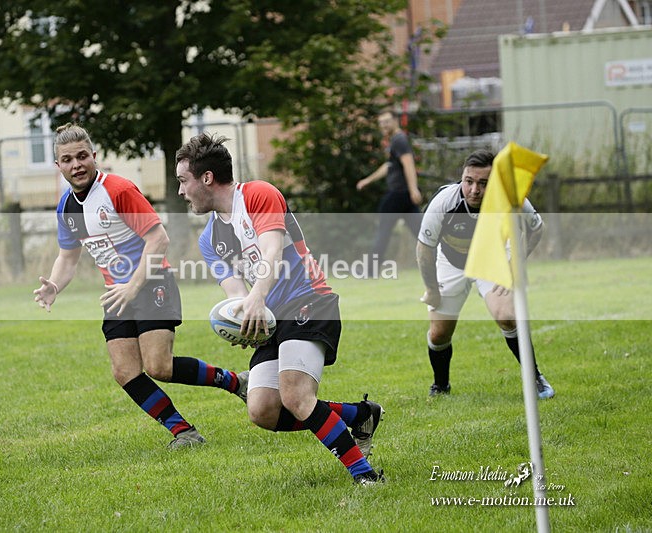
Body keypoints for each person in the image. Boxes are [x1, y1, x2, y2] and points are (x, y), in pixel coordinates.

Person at [176, 132, 384, 485]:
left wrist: (256, 297)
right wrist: (243, 321)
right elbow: (236, 295)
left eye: (184, 181)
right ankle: (359, 415)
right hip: (272, 321)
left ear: (206, 178)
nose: (181, 191)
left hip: (308, 300)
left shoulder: (258, 194)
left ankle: (365, 475)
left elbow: (272, 249)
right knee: (262, 411)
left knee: (296, 395)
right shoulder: (208, 240)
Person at [34, 123, 248, 449]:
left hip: (152, 282)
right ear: (58, 166)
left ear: (94, 156)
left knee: (159, 366)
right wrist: (53, 285)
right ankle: (184, 432)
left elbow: (158, 239)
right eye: (67, 159)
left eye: (81, 156)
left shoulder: (118, 190)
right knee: (125, 371)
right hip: (116, 293)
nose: (76, 165)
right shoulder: (66, 207)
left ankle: (234, 382)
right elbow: (68, 257)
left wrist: (133, 286)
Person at [416, 149, 555, 399]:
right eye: (469, 181)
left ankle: (535, 378)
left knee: (507, 316)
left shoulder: (511, 197)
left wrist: (515, 265)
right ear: (462, 178)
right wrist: (432, 289)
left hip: (493, 258)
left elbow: (536, 228)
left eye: (482, 183)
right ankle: (441, 385)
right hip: (451, 262)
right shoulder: (444, 202)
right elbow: (424, 249)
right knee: (439, 334)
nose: (474, 190)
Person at [357, 111, 423, 276]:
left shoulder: (399, 139)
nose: (384, 126)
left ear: (396, 121)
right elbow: (389, 166)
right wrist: (368, 180)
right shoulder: (394, 141)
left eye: (387, 122)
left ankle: (370, 271)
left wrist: (413, 188)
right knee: (423, 234)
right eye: (381, 123)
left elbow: (408, 164)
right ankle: (444, 261)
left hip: (398, 194)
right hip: (404, 196)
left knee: (383, 231)